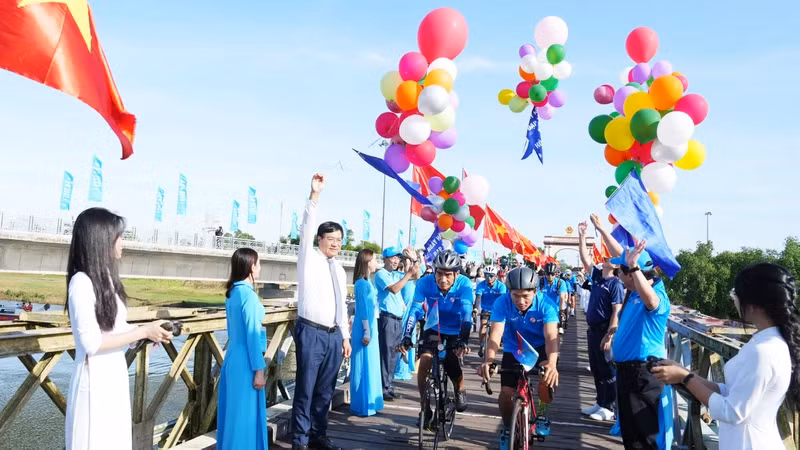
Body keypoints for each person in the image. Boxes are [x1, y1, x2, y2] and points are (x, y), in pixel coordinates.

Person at [653, 263, 798, 450]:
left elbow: (732, 411)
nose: (734, 300)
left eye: (735, 295)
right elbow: (731, 391)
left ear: (754, 305)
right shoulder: (767, 342)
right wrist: (683, 372)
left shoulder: (763, 351)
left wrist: (685, 378)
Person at [64, 208, 173, 450]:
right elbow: (91, 343)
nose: (123, 243)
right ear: (101, 240)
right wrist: (142, 332)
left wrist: (148, 332)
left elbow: (117, 328)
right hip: (94, 381)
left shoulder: (107, 281)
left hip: (114, 374)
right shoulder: (81, 282)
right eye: (119, 236)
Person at [593, 213, 673, 450]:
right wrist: (602, 230)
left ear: (634, 274)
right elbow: (621, 253)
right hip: (628, 372)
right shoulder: (633, 290)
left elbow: (652, 302)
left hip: (643, 374)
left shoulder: (656, 295)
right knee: (631, 436)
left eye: (622, 271)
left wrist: (634, 266)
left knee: (643, 438)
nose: (618, 274)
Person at [292, 173, 350, 450]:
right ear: (319, 239)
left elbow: (342, 305)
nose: (335, 243)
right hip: (311, 332)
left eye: (339, 239)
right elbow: (306, 226)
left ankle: (318, 434)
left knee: (325, 390)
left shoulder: (339, 268)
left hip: (333, 336)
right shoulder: (309, 258)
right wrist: (314, 195)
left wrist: (345, 336)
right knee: (305, 389)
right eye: (331, 238)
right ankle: (299, 440)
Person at [478, 267, 560, 450]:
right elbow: (495, 334)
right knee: (505, 394)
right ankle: (508, 428)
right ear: (509, 292)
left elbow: (551, 337)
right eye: (515, 295)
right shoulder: (502, 302)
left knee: (546, 378)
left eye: (526, 296)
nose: (520, 301)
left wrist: (552, 364)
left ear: (535, 291)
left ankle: (542, 413)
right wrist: (488, 360)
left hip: (539, 348)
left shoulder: (546, 304)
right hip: (515, 349)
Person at [399, 250, 473, 427]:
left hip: (456, 328)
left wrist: (463, 338)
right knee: (425, 361)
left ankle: (460, 388)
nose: (443, 279)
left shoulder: (465, 284)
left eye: (448, 275)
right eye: (439, 274)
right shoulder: (425, 282)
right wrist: (407, 335)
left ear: (456, 274)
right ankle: (425, 408)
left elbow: (466, 312)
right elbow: (415, 310)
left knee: (451, 361)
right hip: (434, 326)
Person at [217, 248, 268, 450]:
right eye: (258, 263)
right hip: (247, 361)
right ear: (251, 267)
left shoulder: (232, 293)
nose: (260, 267)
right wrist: (259, 370)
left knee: (233, 415)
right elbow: (252, 336)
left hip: (232, 358)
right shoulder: (248, 296)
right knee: (245, 418)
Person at [577, 221, 624, 422]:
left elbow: (616, 311)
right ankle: (600, 401)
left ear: (616, 265)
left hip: (605, 331)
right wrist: (582, 235)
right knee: (596, 368)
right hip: (592, 330)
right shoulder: (597, 277)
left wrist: (610, 335)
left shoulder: (615, 284)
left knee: (607, 369)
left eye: (611, 258)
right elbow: (585, 258)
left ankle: (609, 407)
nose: (606, 258)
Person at [375, 246, 419, 400]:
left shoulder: (396, 274)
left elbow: (416, 277)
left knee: (394, 354)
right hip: (387, 318)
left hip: (397, 319)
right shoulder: (381, 274)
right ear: (385, 259)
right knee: (386, 354)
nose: (395, 261)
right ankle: (383, 388)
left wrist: (414, 260)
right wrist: (408, 274)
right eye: (392, 258)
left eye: (397, 258)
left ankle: (388, 385)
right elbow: (394, 289)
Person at [349, 249, 384, 417]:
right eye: (374, 259)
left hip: (371, 325)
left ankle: (371, 401)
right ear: (367, 262)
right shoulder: (361, 284)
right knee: (363, 364)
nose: (377, 263)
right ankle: (362, 404)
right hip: (365, 327)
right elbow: (362, 309)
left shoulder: (368, 281)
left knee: (371, 363)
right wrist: (366, 331)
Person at [395, 251, 422, 381]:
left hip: (411, 312)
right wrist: (408, 264)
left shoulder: (412, 276)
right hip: (402, 313)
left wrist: (414, 259)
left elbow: (418, 277)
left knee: (410, 338)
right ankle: (399, 369)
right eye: (406, 259)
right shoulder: (398, 276)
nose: (408, 262)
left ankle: (406, 367)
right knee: (401, 338)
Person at [475, 266, 508, 358]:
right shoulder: (481, 285)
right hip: (485, 309)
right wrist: (475, 309)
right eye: (486, 275)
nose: (488, 278)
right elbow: (478, 299)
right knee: (483, 325)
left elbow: (502, 300)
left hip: (497, 310)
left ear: (495, 276)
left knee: (496, 330)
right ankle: (481, 344)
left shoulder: (501, 286)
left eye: (491, 276)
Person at [540, 262, 568, 335]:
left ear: (555, 274)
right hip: (543, 309)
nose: (550, 276)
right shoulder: (540, 282)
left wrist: (562, 313)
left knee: (553, 333)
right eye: (548, 274)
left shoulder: (560, 283)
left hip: (555, 309)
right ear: (545, 273)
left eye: (552, 274)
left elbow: (562, 298)